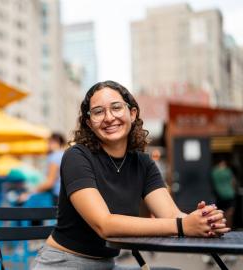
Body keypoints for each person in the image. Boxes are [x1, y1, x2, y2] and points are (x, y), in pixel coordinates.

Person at [32, 80, 230, 270]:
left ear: (132, 113)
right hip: (64, 264)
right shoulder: (76, 157)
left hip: (107, 265)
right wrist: (183, 225)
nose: (109, 117)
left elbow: (171, 215)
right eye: (98, 112)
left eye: (116, 107)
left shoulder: (143, 163)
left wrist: (203, 221)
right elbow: (105, 225)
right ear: (89, 123)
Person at [18, 132, 66, 204]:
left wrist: (29, 194)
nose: (48, 145)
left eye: (50, 142)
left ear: (56, 143)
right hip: (66, 194)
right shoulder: (64, 154)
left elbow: (50, 182)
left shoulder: (55, 156)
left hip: (58, 196)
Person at [211, 159, 236, 228]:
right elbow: (233, 182)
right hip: (229, 195)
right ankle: (228, 228)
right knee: (229, 213)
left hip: (219, 195)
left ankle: (222, 228)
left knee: (220, 213)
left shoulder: (214, 172)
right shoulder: (228, 171)